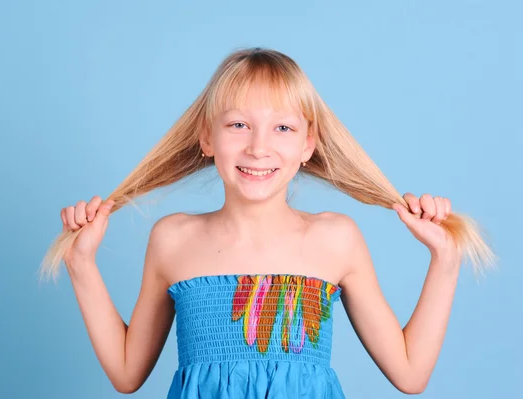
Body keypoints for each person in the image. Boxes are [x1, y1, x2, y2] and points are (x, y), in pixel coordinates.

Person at [39, 47, 496, 398]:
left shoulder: (335, 239)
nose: (259, 147)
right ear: (207, 136)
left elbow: (411, 373)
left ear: (308, 144)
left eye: (283, 128)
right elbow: (126, 373)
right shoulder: (172, 239)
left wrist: (445, 258)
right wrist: (82, 264)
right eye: (238, 125)